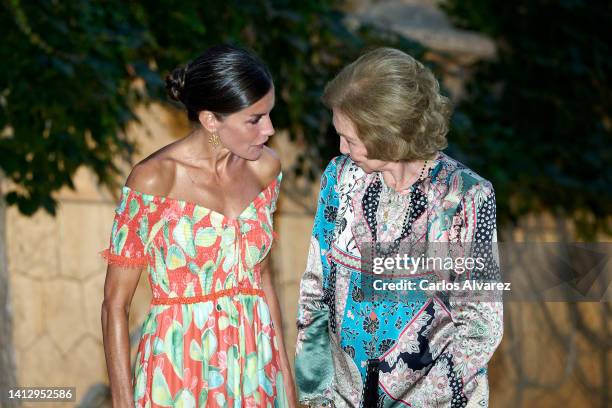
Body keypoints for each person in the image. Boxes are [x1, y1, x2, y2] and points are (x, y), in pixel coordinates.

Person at [295, 48, 503, 407]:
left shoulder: (467, 197)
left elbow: (481, 327)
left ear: (389, 134)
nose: (341, 148)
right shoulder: (339, 178)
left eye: (351, 138)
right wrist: (315, 395)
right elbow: (316, 291)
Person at [100, 44, 296, 407]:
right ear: (210, 120)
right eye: (254, 119)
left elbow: (262, 279)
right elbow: (115, 303)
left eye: (269, 114)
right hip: (179, 367)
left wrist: (288, 389)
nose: (269, 129)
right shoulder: (154, 180)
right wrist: (123, 403)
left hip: (254, 367)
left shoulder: (266, 170)